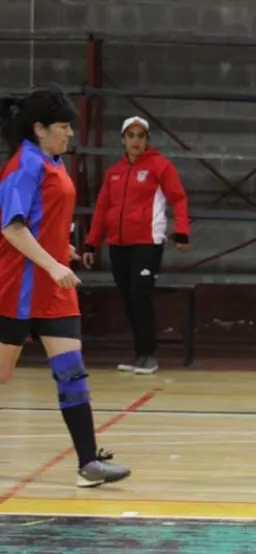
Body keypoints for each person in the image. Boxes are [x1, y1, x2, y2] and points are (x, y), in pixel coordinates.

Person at [0, 87, 131, 488]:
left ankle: (88, 463)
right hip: (17, 287)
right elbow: (11, 227)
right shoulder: (23, 166)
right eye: (62, 127)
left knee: (72, 373)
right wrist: (52, 262)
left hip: (54, 288)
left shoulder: (52, 162)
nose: (69, 133)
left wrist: (62, 249)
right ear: (39, 129)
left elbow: (43, 219)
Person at [82, 116, 191, 375]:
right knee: (129, 299)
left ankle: (148, 354)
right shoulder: (114, 173)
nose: (135, 141)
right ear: (123, 139)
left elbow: (179, 198)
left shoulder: (160, 167)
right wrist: (91, 243)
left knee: (141, 297)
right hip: (118, 244)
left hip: (147, 243)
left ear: (147, 140)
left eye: (140, 136)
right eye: (130, 135)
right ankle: (139, 354)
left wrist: (182, 231)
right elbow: (101, 209)